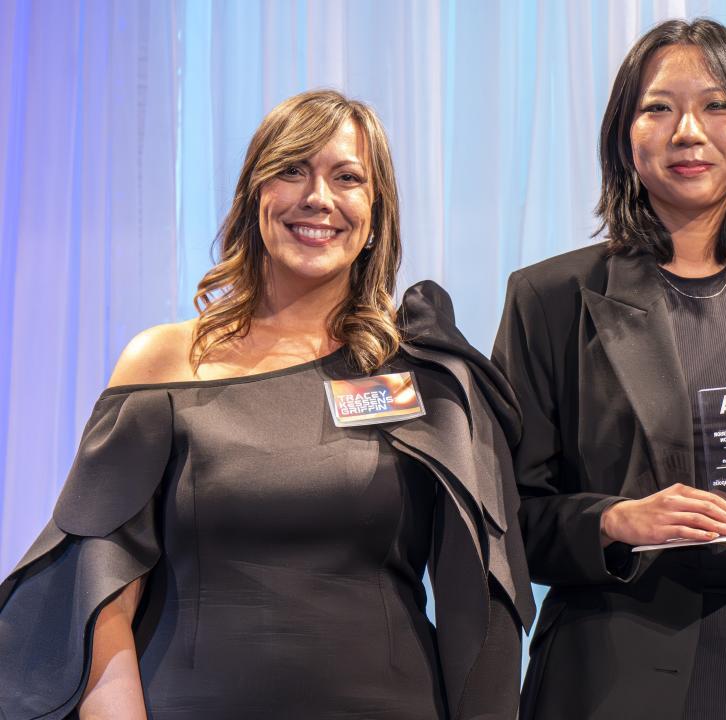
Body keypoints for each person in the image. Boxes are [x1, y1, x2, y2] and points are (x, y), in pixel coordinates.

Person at [0, 90, 534, 719]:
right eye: (291, 170)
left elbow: (483, 604)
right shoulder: (165, 364)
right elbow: (98, 590)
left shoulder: (423, 373)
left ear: (376, 215)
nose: (318, 197)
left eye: (347, 178)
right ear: (255, 196)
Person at [492, 18, 726, 720]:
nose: (688, 130)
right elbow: (513, 515)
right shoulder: (549, 300)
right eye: (658, 107)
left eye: (718, 105)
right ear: (624, 137)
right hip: (608, 677)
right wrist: (617, 522)